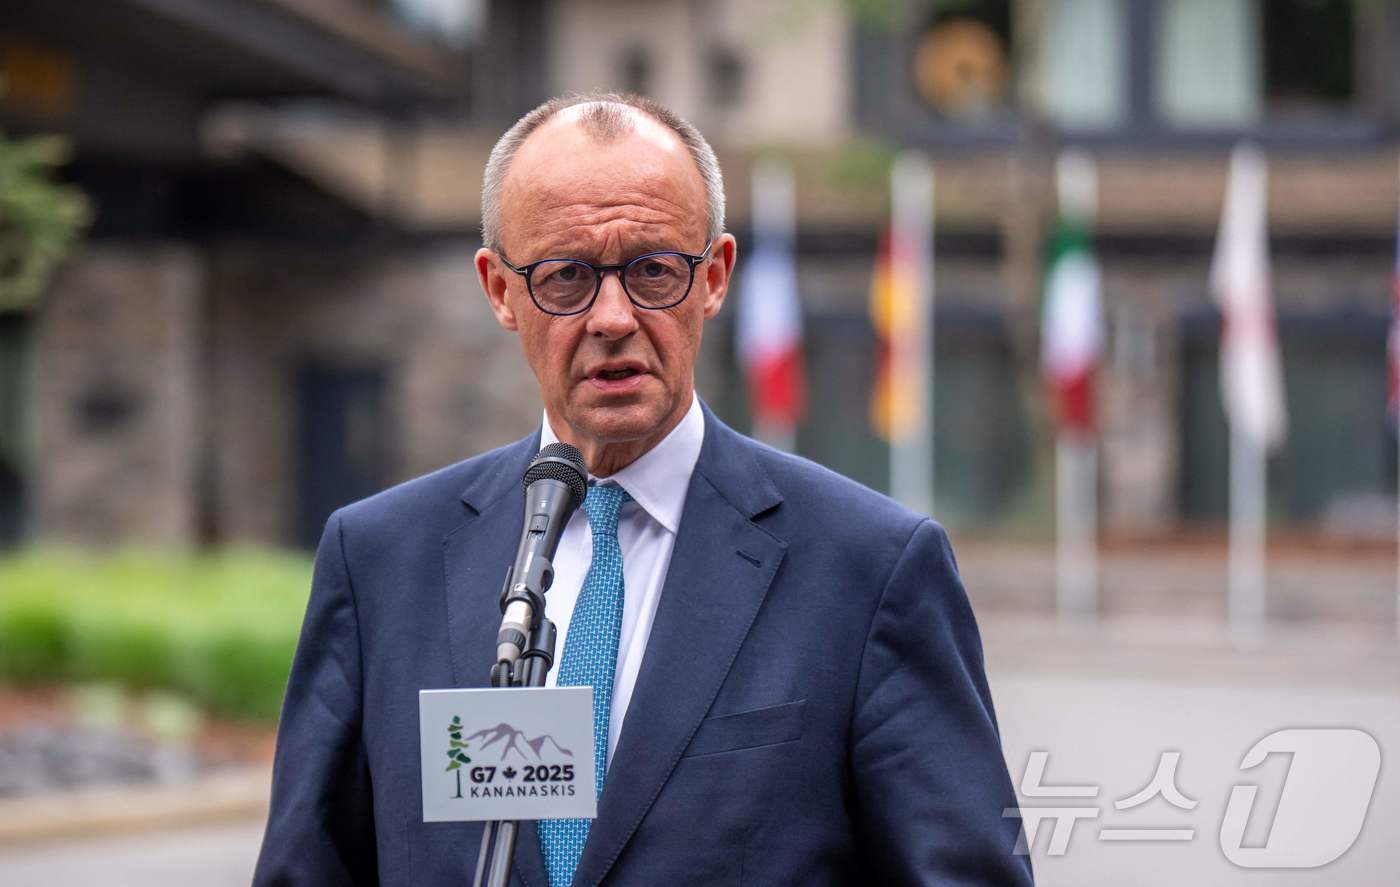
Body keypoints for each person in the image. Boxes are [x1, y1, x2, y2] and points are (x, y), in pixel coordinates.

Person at [254, 92, 1032, 887]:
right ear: (499, 290)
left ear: (714, 277)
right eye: (566, 276)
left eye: (654, 270)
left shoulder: (870, 568)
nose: (613, 317)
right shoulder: (382, 561)